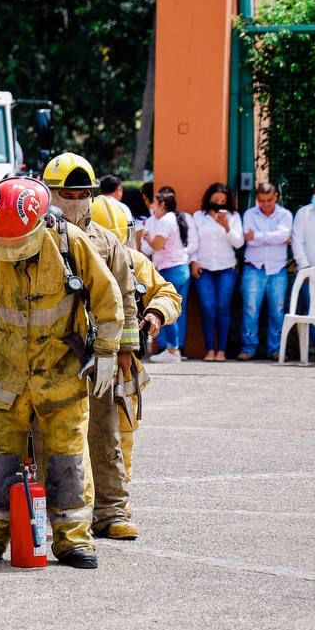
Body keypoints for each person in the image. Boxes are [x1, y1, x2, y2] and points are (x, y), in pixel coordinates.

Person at [0, 176, 123, 569]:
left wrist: (106, 352)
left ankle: (72, 540)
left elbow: (106, 298)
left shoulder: (70, 243)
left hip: (60, 373)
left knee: (67, 459)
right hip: (6, 371)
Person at [41, 153, 138, 541]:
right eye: (66, 192)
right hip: (49, 352)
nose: (75, 199)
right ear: (49, 194)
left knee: (104, 431)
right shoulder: (34, 235)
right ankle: (57, 512)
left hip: (98, 351)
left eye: (82, 192)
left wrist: (125, 352)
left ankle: (112, 511)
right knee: (48, 436)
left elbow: (124, 296)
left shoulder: (107, 241)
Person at [90, 195, 181, 538]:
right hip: (73, 363)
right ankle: (69, 509)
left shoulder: (135, 261)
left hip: (123, 366)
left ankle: (113, 509)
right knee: (67, 440)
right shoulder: (69, 257)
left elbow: (168, 293)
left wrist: (156, 313)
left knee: (120, 440)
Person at [239, 183, 293, 360]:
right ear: (257, 199)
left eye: (269, 200)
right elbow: (249, 240)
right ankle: (248, 348)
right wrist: (275, 237)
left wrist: (259, 236)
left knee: (277, 310)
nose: (266, 204)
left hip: (278, 268)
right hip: (254, 267)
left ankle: (275, 349)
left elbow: (284, 235)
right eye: (262, 201)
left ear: (276, 197)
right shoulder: (249, 214)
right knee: (250, 309)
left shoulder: (285, 215)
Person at [190, 182, 243, 361]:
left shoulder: (233, 217)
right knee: (207, 307)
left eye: (222, 200)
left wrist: (226, 226)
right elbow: (193, 240)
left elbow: (239, 243)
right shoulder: (198, 216)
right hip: (204, 268)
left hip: (226, 268)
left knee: (222, 308)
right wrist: (193, 261)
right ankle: (209, 350)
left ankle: (221, 350)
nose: (219, 203)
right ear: (209, 199)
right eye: (215, 199)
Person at [141, 186, 192, 362]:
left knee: (168, 309)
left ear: (162, 204)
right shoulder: (175, 218)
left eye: (155, 203)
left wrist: (146, 236)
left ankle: (172, 350)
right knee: (178, 310)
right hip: (182, 268)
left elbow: (156, 245)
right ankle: (175, 349)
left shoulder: (165, 220)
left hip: (171, 269)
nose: (153, 207)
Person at [291, 179, 315, 360]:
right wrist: (306, 268)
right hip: (310, 275)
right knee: (314, 311)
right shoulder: (304, 213)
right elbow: (297, 242)